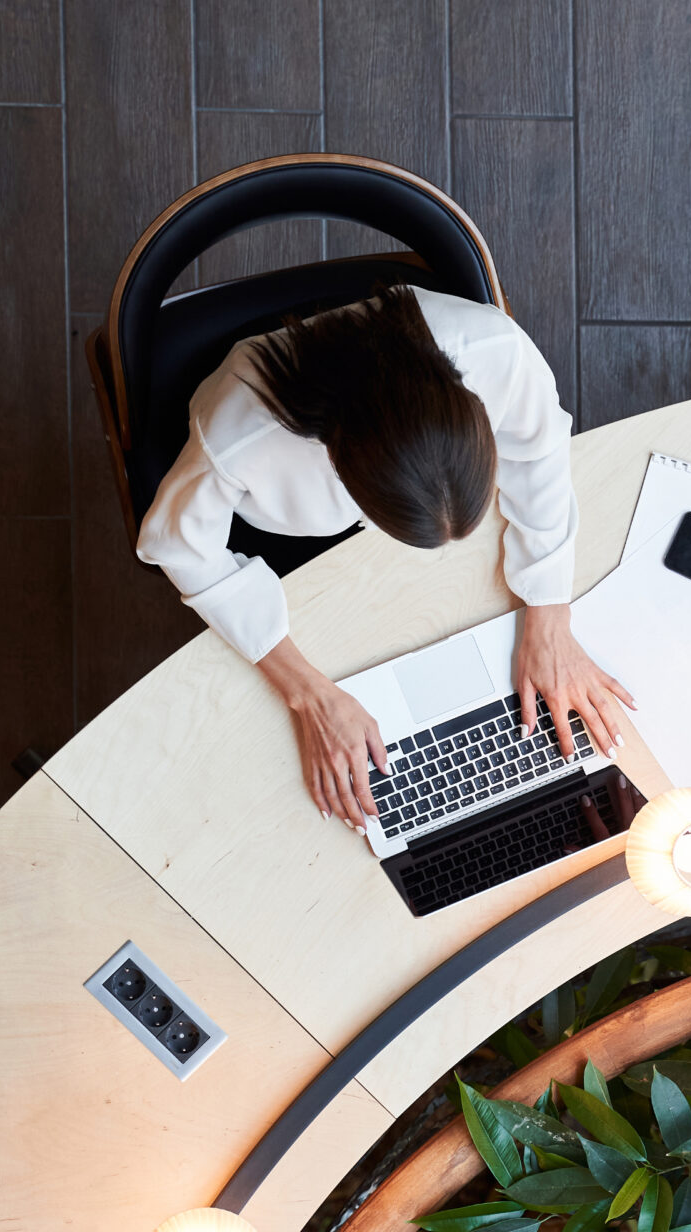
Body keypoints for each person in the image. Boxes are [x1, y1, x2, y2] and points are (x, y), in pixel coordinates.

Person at [138, 283, 632, 826]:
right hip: (288, 542)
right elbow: (177, 547)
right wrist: (309, 694)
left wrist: (549, 614)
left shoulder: (494, 348)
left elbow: (539, 451)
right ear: (338, 465)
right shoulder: (238, 438)